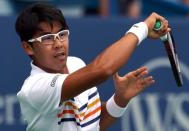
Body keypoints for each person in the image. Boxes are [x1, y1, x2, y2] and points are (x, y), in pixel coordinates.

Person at [15, 3, 170, 131]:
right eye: (47, 38)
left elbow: (94, 124)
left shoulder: (76, 63)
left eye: (62, 34)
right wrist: (142, 28)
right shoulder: (34, 88)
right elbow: (103, 69)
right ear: (28, 47)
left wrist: (119, 100)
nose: (58, 44)